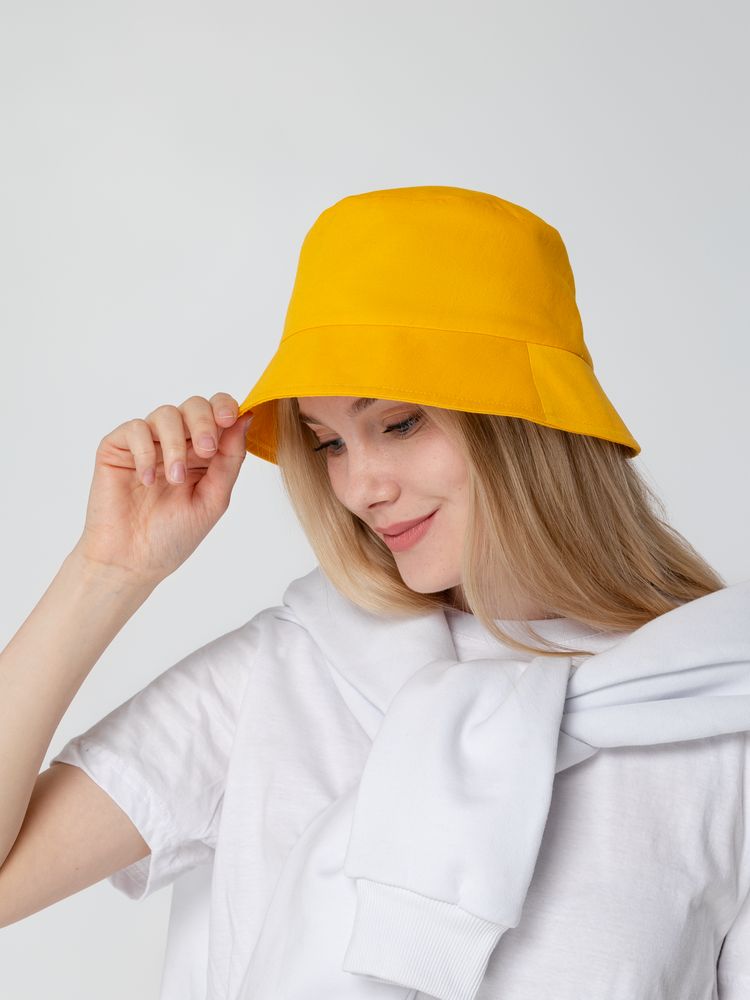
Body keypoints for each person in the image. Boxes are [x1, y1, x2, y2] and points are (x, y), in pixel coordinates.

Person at [1, 186, 748, 1000]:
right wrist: (109, 569)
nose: (361, 487)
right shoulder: (284, 674)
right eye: (327, 443)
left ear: (526, 427)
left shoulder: (715, 712)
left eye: (398, 423)